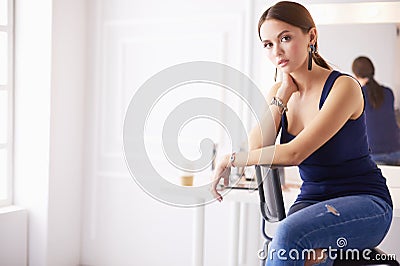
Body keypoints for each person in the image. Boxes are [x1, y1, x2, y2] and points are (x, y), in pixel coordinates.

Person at [210, 2, 393, 265]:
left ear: (311, 37)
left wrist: (229, 159)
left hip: (365, 203)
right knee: (294, 255)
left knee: (288, 236)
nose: (277, 51)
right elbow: (256, 147)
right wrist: (282, 95)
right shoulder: (278, 93)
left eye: (285, 38)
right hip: (312, 201)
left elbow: (295, 153)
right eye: (268, 44)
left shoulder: (344, 87)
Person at [352, 56, 400, 165]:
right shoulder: (388, 92)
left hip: (373, 154)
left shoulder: (357, 94)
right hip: (397, 151)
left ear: (355, 75)